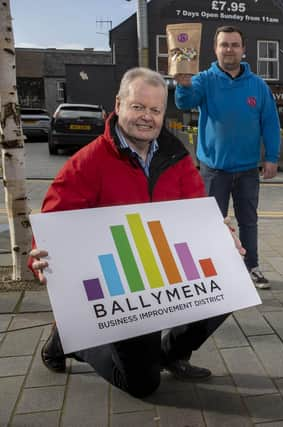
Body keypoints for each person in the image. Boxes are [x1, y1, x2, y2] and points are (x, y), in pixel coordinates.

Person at [30, 67, 243, 398]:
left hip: (167, 268)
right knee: (142, 385)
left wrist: (222, 236)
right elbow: (55, 220)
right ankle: (73, 338)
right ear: (118, 104)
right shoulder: (88, 162)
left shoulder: (177, 158)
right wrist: (41, 260)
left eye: (155, 110)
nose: (147, 117)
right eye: (138, 107)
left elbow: (197, 211)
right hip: (120, 285)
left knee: (230, 280)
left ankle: (170, 353)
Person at [175, 25, 280, 290]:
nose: (229, 49)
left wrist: (272, 157)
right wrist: (184, 84)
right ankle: (212, 271)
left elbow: (270, 122)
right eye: (224, 45)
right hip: (214, 169)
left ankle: (251, 266)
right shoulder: (204, 79)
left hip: (247, 170)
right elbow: (184, 103)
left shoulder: (257, 86)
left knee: (248, 222)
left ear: (244, 50)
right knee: (211, 224)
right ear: (215, 49)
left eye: (234, 45)